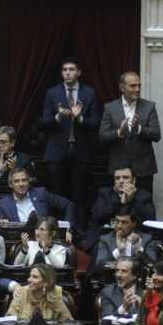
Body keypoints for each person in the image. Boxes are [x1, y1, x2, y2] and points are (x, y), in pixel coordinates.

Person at [41, 57, 101, 214]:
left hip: (81, 151)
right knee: (57, 194)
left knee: (80, 194)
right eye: (65, 70)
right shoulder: (52, 93)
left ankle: (78, 228)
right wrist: (58, 116)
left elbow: (96, 123)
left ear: (78, 72)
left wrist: (80, 117)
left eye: (71, 69)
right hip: (56, 152)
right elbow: (45, 122)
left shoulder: (89, 93)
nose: (67, 72)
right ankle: (58, 227)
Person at [99, 72, 161, 192]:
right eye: (133, 86)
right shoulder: (110, 108)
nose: (137, 89)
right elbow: (102, 136)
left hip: (144, 168)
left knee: (144, 201)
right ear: (122, 88)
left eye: (139, 85)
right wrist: (119, 132)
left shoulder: (149, 106)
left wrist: (139, 129)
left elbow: (156, 135)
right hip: (119, 169)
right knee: (119, 201)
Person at [86, 166, 155, 251]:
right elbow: (97, 216)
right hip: (107, 235)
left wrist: (132, 200)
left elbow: (149, 221)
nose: (121, 181)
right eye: (117, 178)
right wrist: (119, 202)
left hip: (136, 237)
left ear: (134, 180)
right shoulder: (105, 193)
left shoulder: (145, 196)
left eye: (125, 177)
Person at [0, 168, 77, 232]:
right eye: (16, 181)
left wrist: (68, 229)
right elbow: (1, 220)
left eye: (24, 180)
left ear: (28, 182)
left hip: (46, 238)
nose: (21, 184)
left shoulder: (41, 193)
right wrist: (3, 221)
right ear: (10, 184)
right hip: (20, 241)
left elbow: (68, 205)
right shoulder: (3, 203)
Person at [91, 207, 159, 273]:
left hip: (137, 279)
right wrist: (118, 251)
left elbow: (152, 266)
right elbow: (100, 266)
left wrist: (139, 250)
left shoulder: (147, 239)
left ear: (134, 223)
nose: (119, 226)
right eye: (117, 221)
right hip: (112, 278)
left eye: (124, 222)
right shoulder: (105, 239)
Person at [7, 263, 73, 321]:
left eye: (34, 277)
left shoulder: (54, 293)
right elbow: (10, 317)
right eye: (30, 276)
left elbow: (69, 320)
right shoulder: (22, 292)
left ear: (45, 282)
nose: (29, 279)